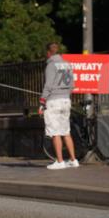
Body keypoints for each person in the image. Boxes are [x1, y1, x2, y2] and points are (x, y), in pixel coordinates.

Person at [39, 42, 78, 170]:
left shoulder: (51, 65)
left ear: (48, 52)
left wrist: (42, 101)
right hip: (66, 100)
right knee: (66, 131)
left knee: (55, 132)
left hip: (54, 101)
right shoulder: (67, 64)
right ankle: (73, 160)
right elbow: (72, 85)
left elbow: (49, 85)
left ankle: (60, 161)